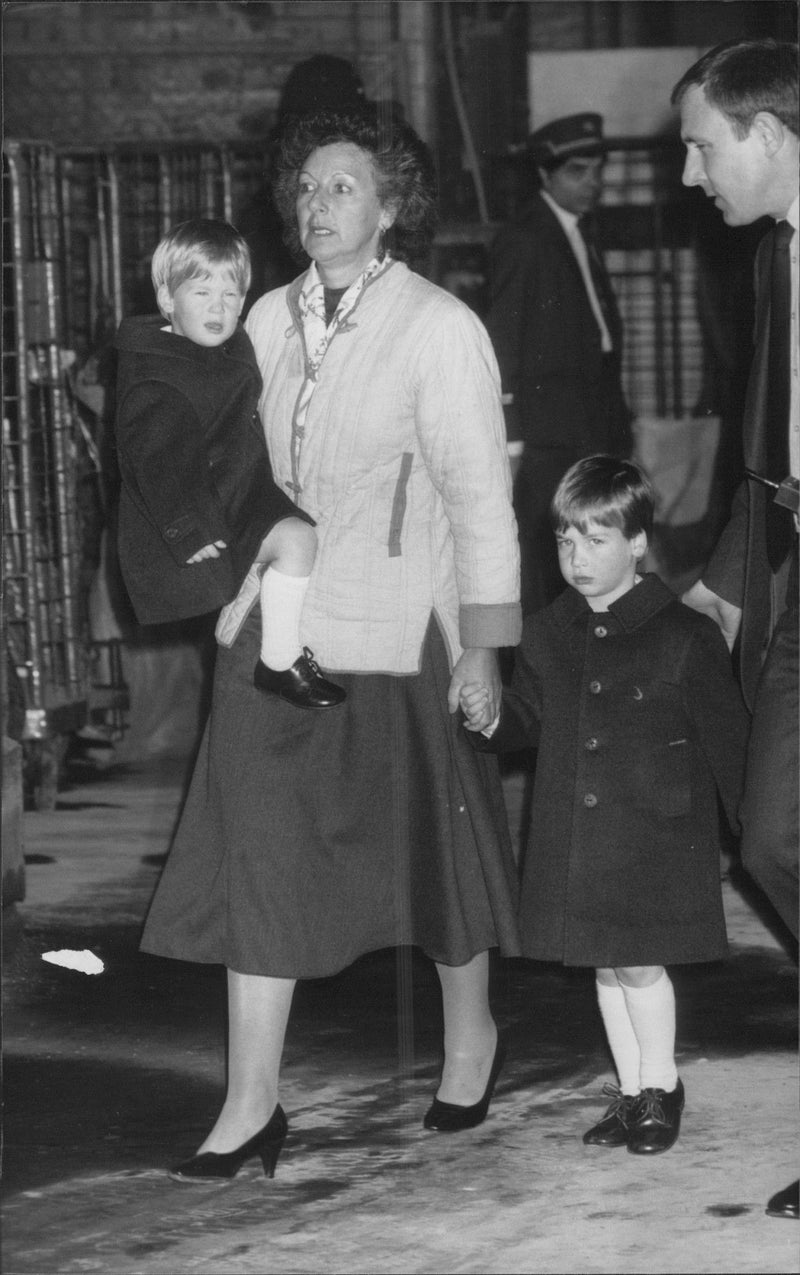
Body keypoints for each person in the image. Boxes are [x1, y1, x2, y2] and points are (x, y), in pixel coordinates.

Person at [139, 104, 523, 1180]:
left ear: (391, 205)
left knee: (432, 857)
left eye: (342, 186)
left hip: (403, 627)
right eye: (306, 188)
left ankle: (468, 1041)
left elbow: (479, 498)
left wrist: (485, 647)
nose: (317, 204)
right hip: (276, 628)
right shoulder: (257, 317)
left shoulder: (439, 326)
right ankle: (250, 1101)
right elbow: (213, 462)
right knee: (258, 850)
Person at [460, 456, 748, 1154]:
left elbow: (731, 746)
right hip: (577, 835)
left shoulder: (685, 634)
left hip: (654, 835)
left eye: (596, 540)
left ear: (639, 542)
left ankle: (661, 1086)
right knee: (605, 965)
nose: (576, 557)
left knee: (641, 964)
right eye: (564, 539)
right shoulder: (547, 631)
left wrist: (757, 833)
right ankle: (629, 1091)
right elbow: (525, 718)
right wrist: (491, 715)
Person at [671, 39, 799, 1218]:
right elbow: (769, 452)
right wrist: (716, 586)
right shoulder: (771, 260)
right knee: (768, 840)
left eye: (701, 146)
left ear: (765, 135)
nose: (687, 173)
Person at [114, 218, 344, 709]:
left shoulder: (230, 343)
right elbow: (151, 462)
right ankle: (279, 662)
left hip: (238, 490)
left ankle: (278, 659)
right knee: (296, 541)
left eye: (233, 294)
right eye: (202, 293)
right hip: (191, 513)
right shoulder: (156, 378)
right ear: (166, 300)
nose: (220, 309)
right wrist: (185, 528)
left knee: (300, 539)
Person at [485, 113, 633, 615]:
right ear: (545, 176)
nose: (591, 184)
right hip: (550, 436)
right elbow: (502, 343)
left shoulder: (575, 232)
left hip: (591, 424)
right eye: (577, 172)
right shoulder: (524, 238)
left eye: (597, 170)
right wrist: (512, 438)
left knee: (593, 562)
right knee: (553, 568)